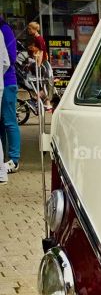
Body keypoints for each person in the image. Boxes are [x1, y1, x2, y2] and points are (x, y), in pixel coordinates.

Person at [0, 13, 20, 174]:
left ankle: (14, 160)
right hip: (4, 81)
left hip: (7, 82)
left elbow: (11, 57)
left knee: (8, 120)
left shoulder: (5, 30)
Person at [24, 20, 53, 113]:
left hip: (40, 64)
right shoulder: (37, 38)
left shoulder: (38, 38)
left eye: (29, 29)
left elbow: (41, 52)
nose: (28, 30)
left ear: (34, 29)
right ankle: (47, 104)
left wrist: (38, 64)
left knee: (39, 86)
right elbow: (44, 52)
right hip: (42, 63)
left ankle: (38, 100)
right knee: (40, 86)